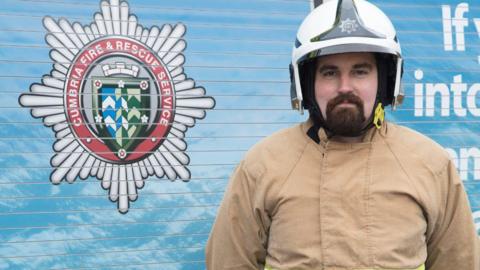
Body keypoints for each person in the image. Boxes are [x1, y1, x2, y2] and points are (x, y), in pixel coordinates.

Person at [206, 0, 480, 269]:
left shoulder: (430, 164)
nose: (344, 87)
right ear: (305, 83)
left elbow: (460, 262)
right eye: (329, 72)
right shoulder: (262, 166)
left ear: (386, 80)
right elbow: (228, 262)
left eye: (360, 72)